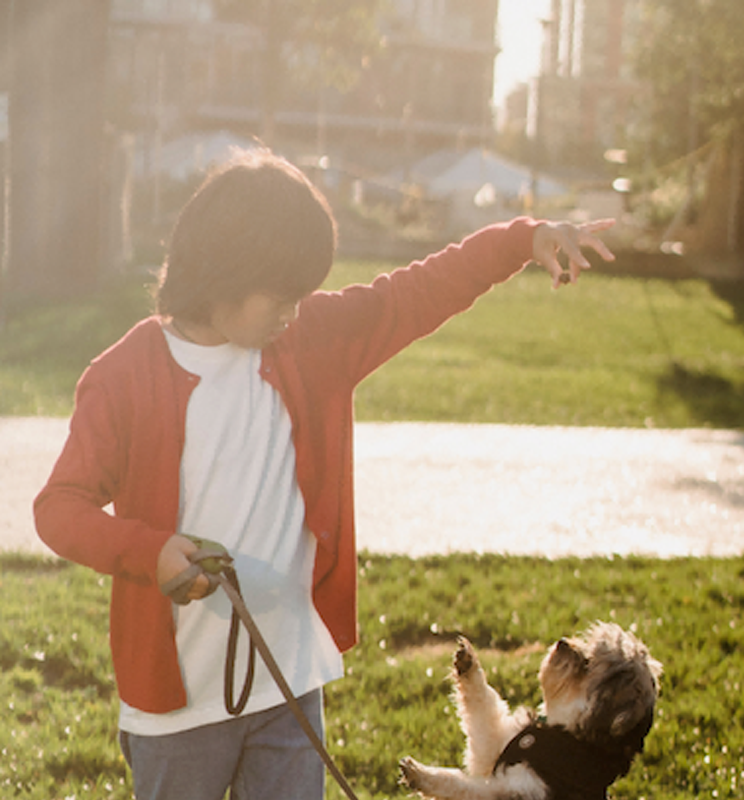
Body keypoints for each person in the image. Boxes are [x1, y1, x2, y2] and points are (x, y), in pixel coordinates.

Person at [34, 148, 615, 800]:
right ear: (225, 270)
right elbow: (59, 508)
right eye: (282, 295)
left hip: (287, 686)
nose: (294, 310)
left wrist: (524, 239)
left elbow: (419, 290)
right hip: (177, 710)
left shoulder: (312, 341)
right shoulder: (122, 378)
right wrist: (149, 552)